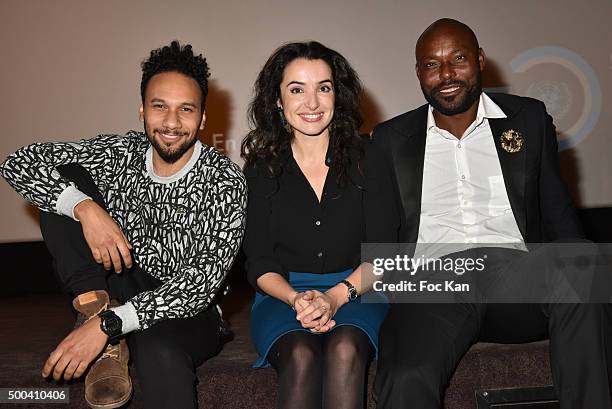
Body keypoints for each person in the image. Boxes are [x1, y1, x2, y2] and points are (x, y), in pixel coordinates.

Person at [371, 18, 612, 409]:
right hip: (437, 282)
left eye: (459, 59)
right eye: (432, 64)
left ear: (480, 60)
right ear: (419, 73)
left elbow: (559, 216)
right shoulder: (390, 140)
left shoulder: (528, 120)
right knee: (405, 375)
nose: (446, 74)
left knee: (585, 265)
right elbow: (382, 240)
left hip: (516, 276)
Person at [0, 41, 247, 409]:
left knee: (157, 348)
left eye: (186, 109)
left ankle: (108, 331)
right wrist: (85, 208)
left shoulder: (225, 180)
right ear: (142, 110)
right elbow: (19, 162)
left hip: (190, 311)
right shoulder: (119, 152)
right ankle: (92, 306)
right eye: (159, 106)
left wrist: (108, 327)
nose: (171, 122)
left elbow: (197, 285)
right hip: (121, 282)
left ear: (203, 118)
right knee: (63, 181)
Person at [241, 41, 400, 409]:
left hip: (359, 288)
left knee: (345, 349)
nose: (311, 103)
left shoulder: (369, 159)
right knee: (300, 354)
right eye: (297, 89)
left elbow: (384, 254)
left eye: (323, 88)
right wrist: (297, 298)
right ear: (277, 101)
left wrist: (334, 297)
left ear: (336, 94)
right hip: (283, 294)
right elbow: (259, 262)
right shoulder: (261, 169)